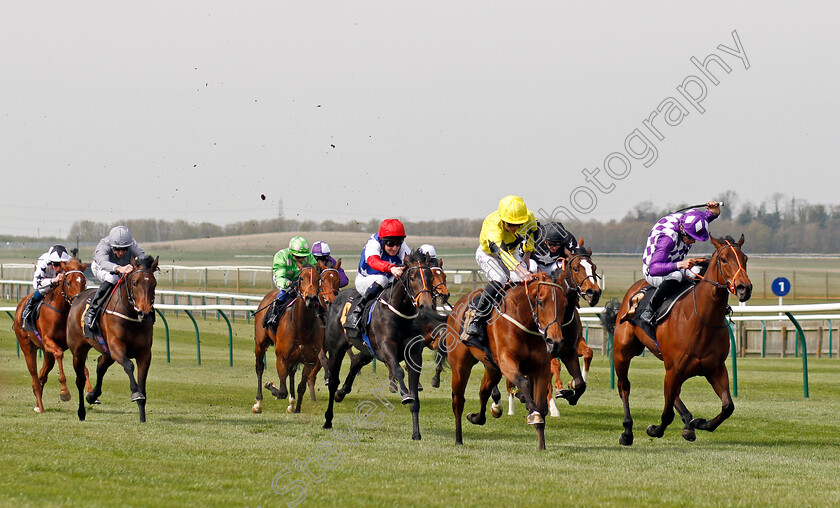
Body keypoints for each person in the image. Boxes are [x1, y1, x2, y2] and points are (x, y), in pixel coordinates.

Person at [463, 196, 544, 352]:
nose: (514, 228)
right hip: (490, 254)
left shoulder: (529, 217)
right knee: (499, 278)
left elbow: (533, 232)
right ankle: (477, 319)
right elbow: (501, 254)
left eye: (518, 225)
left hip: (512, 253)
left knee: (525, 278)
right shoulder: (492, 224)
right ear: (502, 220)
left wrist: (527, 255)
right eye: (510, 225)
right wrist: (522, 271)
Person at [639, 201, 721, 326]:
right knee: (676, 276)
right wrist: (679, 265)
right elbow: (654, 269)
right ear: (682, 230)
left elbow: (701, 221)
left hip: (673, 263)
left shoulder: (687, 222)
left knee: (700, 271)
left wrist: (714, 213)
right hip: (654, 269)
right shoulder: (667, 240)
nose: (693, 241)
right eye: (691, 238)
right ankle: (649, 310)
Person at [345, 219, 411, 336]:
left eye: (398, 243)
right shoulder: (373, 243)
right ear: (383, 240)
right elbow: (372, 260)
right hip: (367, 280)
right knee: (382, 280)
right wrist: (390, 268)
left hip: (388, 279)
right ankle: (357, 311)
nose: (395, 248)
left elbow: (410, 261)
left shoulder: (401, 246)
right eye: (390, 244)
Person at [84, 226, 146, 338]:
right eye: (117, 249)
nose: (121, 252)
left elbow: (142, 255)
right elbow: (103, 262)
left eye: (124, 249)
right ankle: (92, 312)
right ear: (112, 246)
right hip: (101, 267)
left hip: (123, 267)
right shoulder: (103, 245)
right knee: (112, 279)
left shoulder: (131, 243)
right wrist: (119, 268)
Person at [265, 235, 318, 328]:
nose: (301, 259)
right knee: (284, 293)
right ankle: (273, 315)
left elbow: (315, 272)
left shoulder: (309, 257)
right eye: (297, 257)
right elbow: (280, 277)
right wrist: (288, 283)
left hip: (303, 281)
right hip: (285, 280)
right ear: (291, 252)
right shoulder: (281, 256)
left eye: (303, 256)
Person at [21, 245, 71, 332]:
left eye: (62, 264)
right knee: (45, 289)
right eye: (55, 264)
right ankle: (30, 306)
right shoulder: (43, 263)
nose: (59, 268)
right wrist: (53, 280)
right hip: (47, 279)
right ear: (51, 262)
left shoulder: (70, 262)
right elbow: (36, 284)